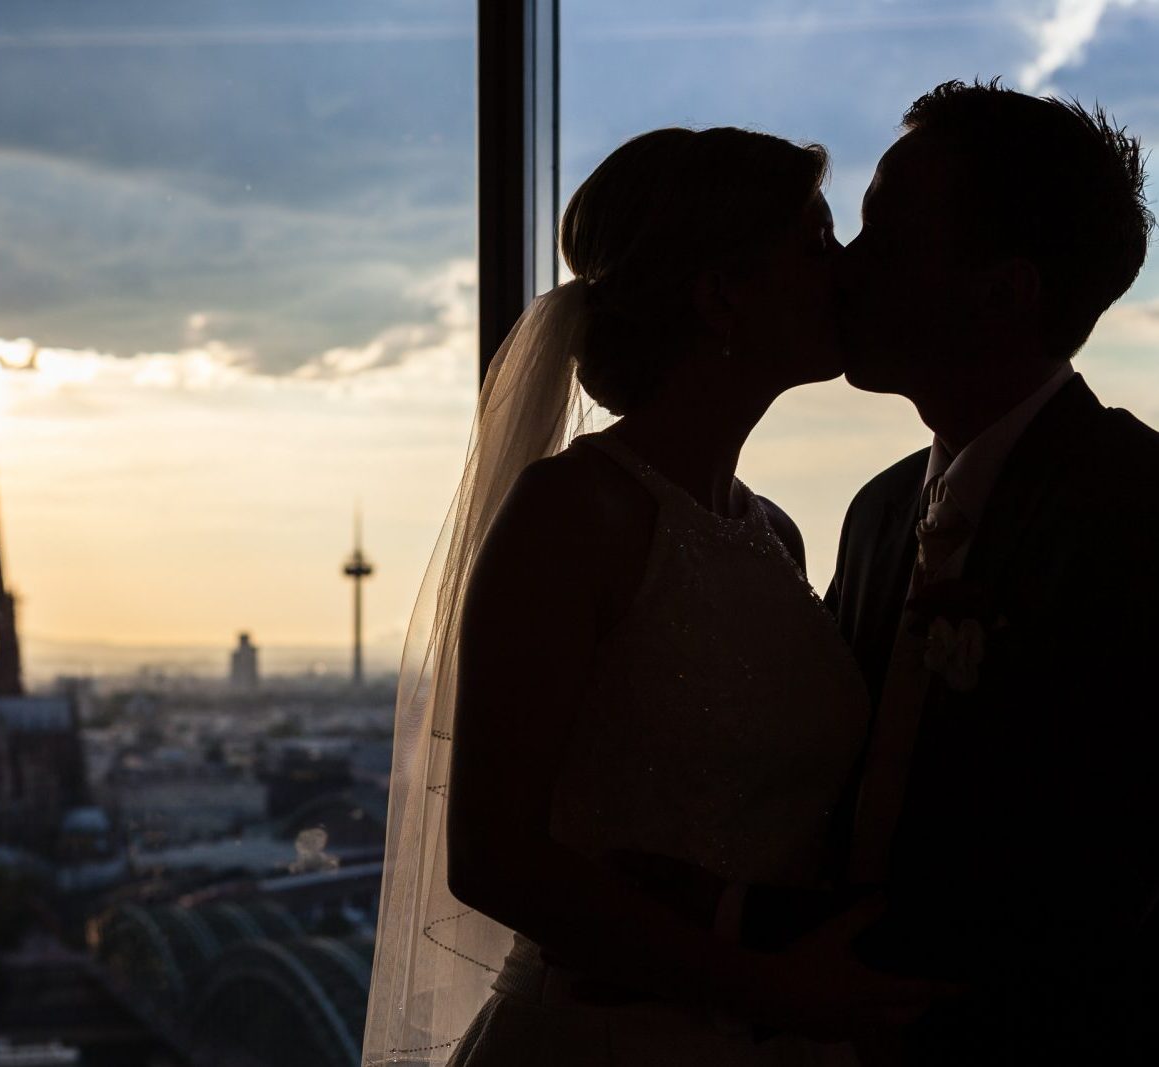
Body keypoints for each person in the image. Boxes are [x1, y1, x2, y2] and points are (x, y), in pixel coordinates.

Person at [363, 127, 939, 1067]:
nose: (843, 269)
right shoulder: (572, 512)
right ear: (720, 295)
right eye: (813, 241)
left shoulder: (775, 533)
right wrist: (760, 988)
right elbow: (494, 854)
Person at [829, 79, 1159, 1064]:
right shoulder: (877, 512)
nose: (842, 268)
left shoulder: (1139, 509)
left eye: (881, 236)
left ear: (1001, 290)